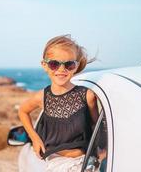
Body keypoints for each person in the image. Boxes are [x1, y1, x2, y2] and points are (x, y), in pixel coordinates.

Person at [18, 34, 99, 172]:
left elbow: (98, 128)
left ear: (76, 66)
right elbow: (22, 111)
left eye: (69, 64)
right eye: (54, 64)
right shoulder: (42, 97)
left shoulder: (88, 96)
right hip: (54, 165)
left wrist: (101, 153)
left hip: (83, 163)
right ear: (44, 65)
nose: (62, 70)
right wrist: (35, 138)